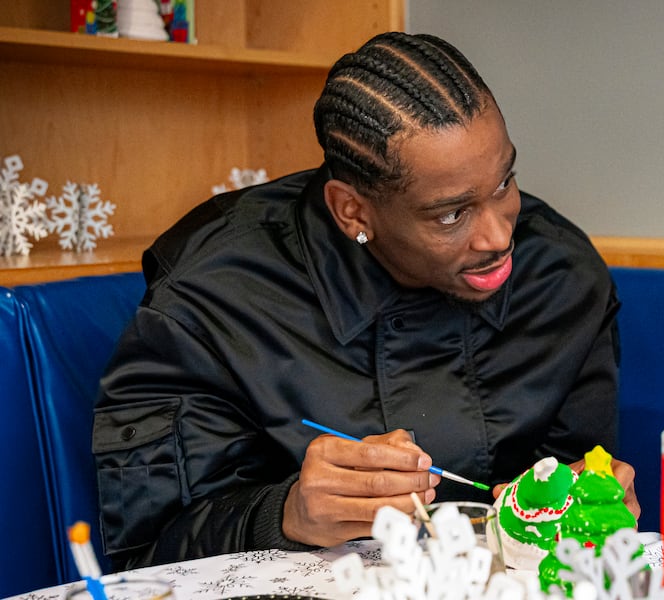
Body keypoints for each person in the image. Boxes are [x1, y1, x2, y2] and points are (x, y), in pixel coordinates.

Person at [92, 32, 634, 570]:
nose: (497, 237)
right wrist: (283, 514)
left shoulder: (560, 278)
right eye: (450, 214)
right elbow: (148, 556)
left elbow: (574, 491)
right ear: (352, 211)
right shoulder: (210, 299)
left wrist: (591, 505)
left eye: (504, 184)